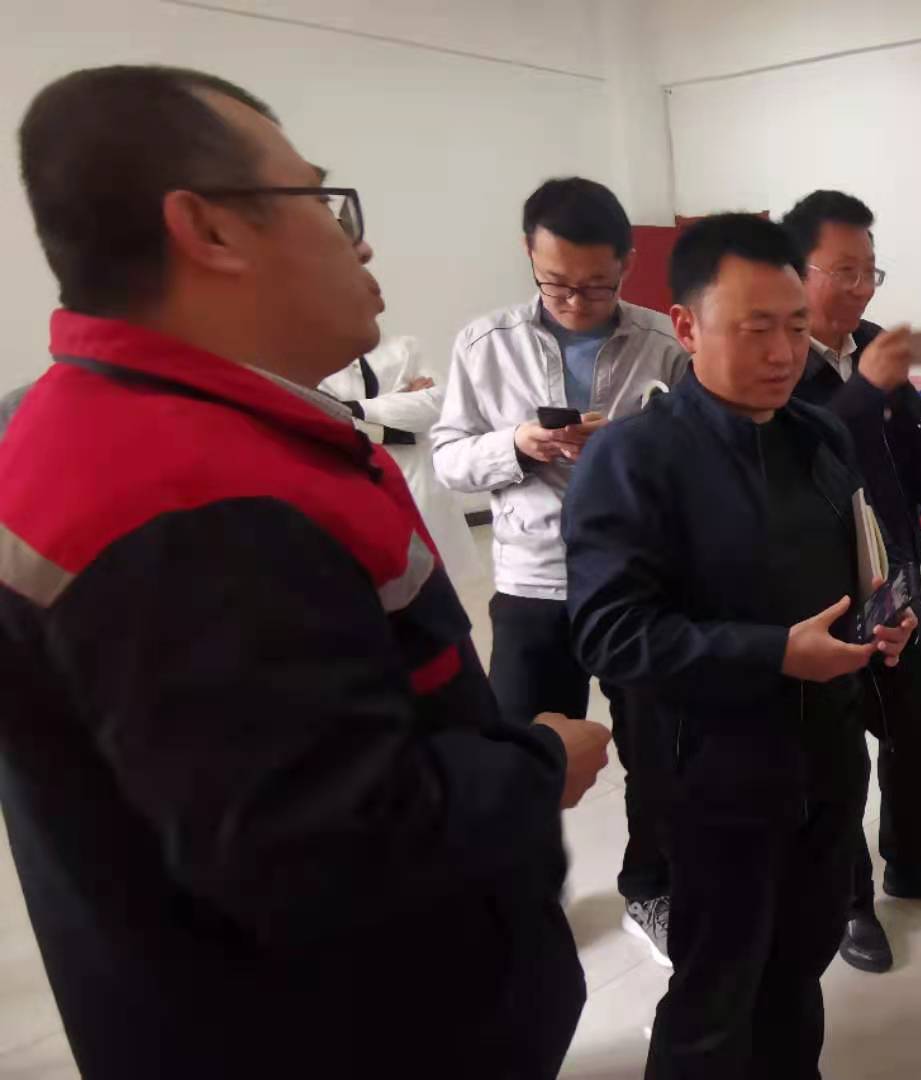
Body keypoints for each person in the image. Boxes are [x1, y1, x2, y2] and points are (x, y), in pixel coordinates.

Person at [0, 65, 608, 1076]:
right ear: (210, 229)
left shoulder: (128, 426)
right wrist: (538, 762)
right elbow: (328, 844)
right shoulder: (184, 502)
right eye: (324, 203)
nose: (357, 242)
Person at [564, 212, 916, 1078]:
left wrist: (883, 616)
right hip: (713, 775)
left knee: (801, 960)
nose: (784, 352)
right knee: (717, 987)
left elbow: (857, 558)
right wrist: (773, 653)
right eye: (755, 328)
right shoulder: (634, 458)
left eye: (795, 326)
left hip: (827, 757)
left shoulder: (817, 434)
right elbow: (609, 632)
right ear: (686, 326)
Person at [432, 176, 688, 967]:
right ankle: (528, 896)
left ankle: (652, 888)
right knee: (522, 752)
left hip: (636, 582)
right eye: (556, 284)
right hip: (532, 582)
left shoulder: (662, 344)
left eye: (597, 285)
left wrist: (630, 455)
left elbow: (692, 456)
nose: (576, 302)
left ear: (628, 263)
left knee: (657, 749)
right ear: (529, 255)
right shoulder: (486, 343)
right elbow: (448, 458)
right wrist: (518, 445)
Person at [778, 190, 921, 975]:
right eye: (845, 271)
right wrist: (865, 388)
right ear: (797, 271)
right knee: (836, 761)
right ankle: (849, 899)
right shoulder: (776, 359)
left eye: (871, 270)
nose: (863, 288)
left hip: (895, 576)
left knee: (914, 737)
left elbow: (913, 455)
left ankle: (913, 861)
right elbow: (808, 456)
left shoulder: (873, 349)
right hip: (821, 593)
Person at [319, 335, 486, 597]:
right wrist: (400, 405)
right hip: (354, 485)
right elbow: (323, 422)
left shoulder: (404, 347)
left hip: (420, 486)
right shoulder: (307, 362)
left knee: (438, 592)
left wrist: (353, 408)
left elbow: (438, 405)